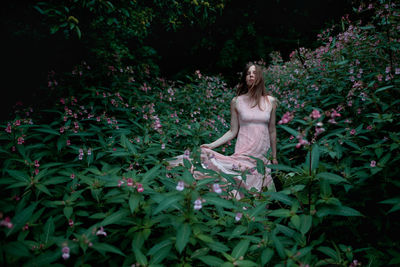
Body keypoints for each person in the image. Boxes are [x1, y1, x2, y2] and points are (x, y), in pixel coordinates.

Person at [167, 63, 278, 197]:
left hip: (262, 156)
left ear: (260, 77)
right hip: (243, 153)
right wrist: (211, 145)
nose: (251, 75)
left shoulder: (270, 101)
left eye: (254, 73)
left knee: (260, 193)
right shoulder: (237, 101)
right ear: (245, 78)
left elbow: (272, 131)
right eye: (248, 73)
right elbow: (232, 131)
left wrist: (274, 157)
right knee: (237, 184)